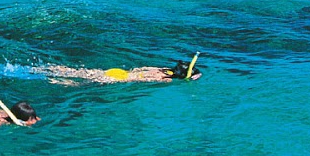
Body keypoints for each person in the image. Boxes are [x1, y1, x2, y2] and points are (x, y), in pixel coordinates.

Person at [21, 55, 202, 85]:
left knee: (81, 73)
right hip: (120, 79)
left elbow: (140, 69)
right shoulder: (166, 80)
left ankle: (46, 68)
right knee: (82, 83)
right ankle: (53, 79)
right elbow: (142, 80)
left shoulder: (163, 69)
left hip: (119, 72)